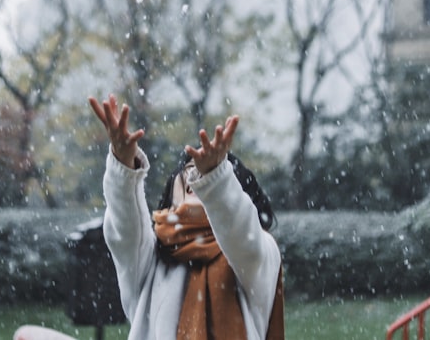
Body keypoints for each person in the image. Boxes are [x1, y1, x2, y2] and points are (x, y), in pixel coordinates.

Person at [89, 93, 284, 340]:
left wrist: (215, 175)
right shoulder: (150, 257)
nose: (195, 176)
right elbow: (124, 230)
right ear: (171, 197)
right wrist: (122, 164)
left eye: (204, 174)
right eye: (189, 173)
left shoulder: (258, 252)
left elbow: (241, 234)